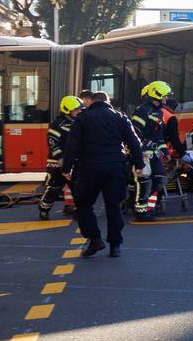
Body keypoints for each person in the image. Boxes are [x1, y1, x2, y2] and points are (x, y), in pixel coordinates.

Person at [66, 89, 142, 257]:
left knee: (84, 205)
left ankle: (95, 239)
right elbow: (134, 142)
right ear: (108, 102)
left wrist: (66, 168)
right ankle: (115, 246)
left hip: (89, 168)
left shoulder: (82, 119)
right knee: (113, 206)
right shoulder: (120, 117)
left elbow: (72, 146)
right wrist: (139, 164)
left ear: (91, 102)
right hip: (115, 168)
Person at [130, 81, 182, 219]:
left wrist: (165, 152)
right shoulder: (143, 110)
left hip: (154, 155)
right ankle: (141, 211)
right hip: (143, 153)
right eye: (165, 96)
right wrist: (144, 145)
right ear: (157, 95)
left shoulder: (158, 112)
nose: (166, 98)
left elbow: (159, 137)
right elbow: (134, 132)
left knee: (160, 180)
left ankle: (143, 203)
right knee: (145, 181)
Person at [37, 95, 81, 220]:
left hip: (74, 161)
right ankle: (44, 209)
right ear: (67, 110)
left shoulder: (78, 122)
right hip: (56, 163)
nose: (79, 112)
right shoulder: (57, 124)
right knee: (54, 188)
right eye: (76, 110)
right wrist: (60, 157)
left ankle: (80, 211)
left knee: (78, 188)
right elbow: (52, 142)